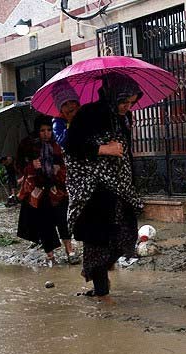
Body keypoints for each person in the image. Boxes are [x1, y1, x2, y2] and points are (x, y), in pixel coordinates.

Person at [64, 74, 144, 298]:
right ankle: (102, 292)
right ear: (112, 96)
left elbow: (125, 152)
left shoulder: (122, 118)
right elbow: (71, 147)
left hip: (120, 186)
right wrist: (103, 149)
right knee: (98, 238)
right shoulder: (88, 114)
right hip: (94, 189)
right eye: (123, 102)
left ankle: (100, 274)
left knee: (125, 233)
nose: (127, 107)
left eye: (131, 103)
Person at [16, 115, 80, 266]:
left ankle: (70, 251)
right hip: (38, 191)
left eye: (49, 130)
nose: (46, 134)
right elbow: (19, 167)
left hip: (57, 189)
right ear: (37, 131)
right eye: (42, 130)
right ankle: (50, 256)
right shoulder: (27, 146)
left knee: (63, 220)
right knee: (44, 223)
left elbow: (66, 164)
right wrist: (32, 166)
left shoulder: (58, 145)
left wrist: (58, 170)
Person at [51, 82, 80, 149]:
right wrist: (70, 123)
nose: (70, 106)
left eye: (72, 101)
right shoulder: (58, 122)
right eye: (65, 104)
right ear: (61, 110)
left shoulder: (86, 114)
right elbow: (61, 142)